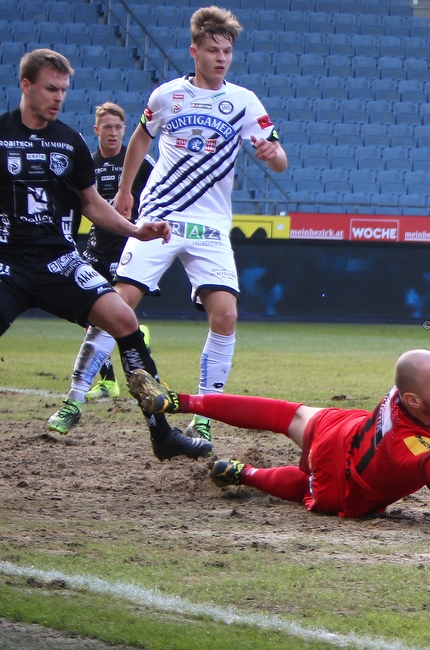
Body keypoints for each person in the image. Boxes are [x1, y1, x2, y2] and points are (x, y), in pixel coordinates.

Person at [0, 48, 210, 460]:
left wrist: (136, 229)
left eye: (63, 89)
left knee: (124, 320)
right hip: (7, 264)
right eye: (50, 88)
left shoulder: (70, 142)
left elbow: (93, 205)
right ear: (26, 86)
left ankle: (162, 434)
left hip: (59, 262)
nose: (58, 97)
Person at [126, 349, 430, 518]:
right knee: (307, 489)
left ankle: (177, 401)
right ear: (415, 401)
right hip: (349, 481)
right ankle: (246, 473)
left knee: (286, 415)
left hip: (347, 431)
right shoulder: (409, 448)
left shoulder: (418, 391)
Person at [112, 6, 288, 444]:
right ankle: (74, 397)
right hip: (161, 217)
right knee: (116, 305)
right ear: (194, 52)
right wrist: (125, 190)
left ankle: (205, 414)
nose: (221, 57)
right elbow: (139, 138)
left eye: (227, 50)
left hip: (210, 227)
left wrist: (271, 155)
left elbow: (281, 160)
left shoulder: (245, 102)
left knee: (226, 315)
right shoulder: (166, 96)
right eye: (212, 50)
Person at [47, 102, 156, 434]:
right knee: (91, 318)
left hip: (129, 248)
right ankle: (108, 381)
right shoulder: (88, 163)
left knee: (110, 315)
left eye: (117, 127)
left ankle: (88, 390)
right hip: (96, 248)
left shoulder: (138, 162)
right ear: (97, 131)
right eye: (106, 127)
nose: (112, 132)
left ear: (124, 130)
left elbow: (158, 194)